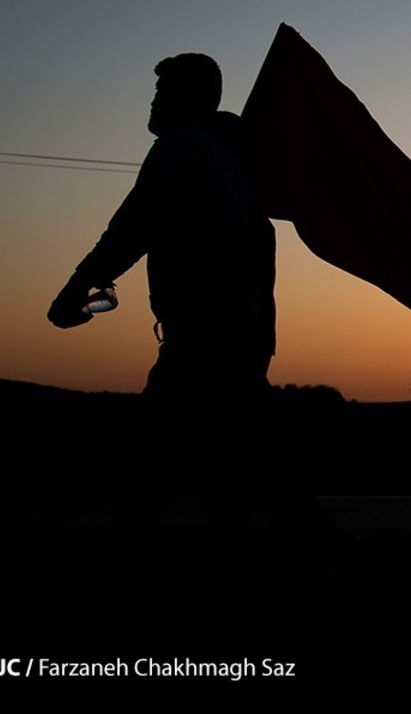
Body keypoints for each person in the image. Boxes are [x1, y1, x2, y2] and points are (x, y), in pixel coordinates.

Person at [47, 53, 276, 546]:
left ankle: (121, 558)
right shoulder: (230, 165)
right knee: (214, 465)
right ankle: (240, 567)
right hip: (233, 341)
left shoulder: (182, 148)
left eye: (161, 91)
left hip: (200, 342)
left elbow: (131, 229)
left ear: (186, 97)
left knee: (159, 454)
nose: (153, 102)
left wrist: (74, 290)